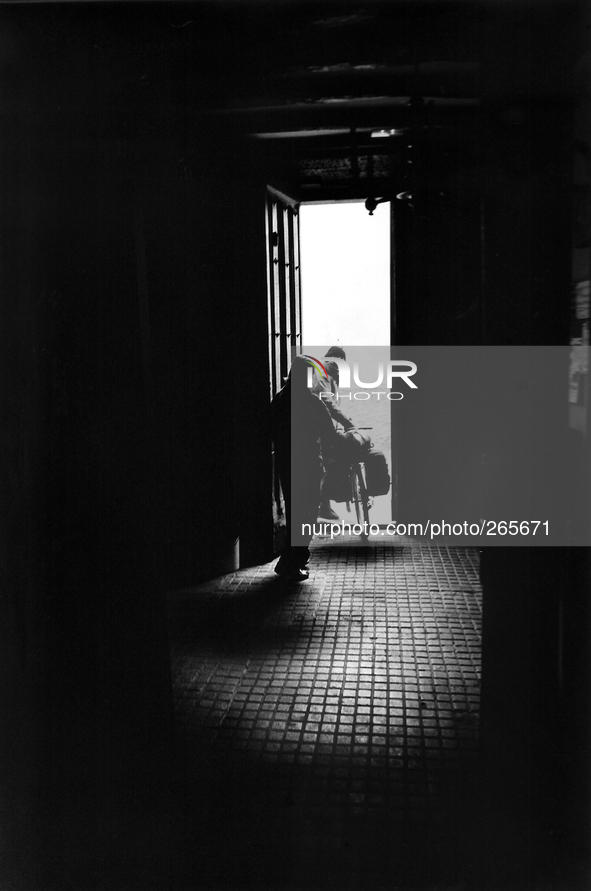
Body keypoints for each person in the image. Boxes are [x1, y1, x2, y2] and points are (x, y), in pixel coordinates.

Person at [271, 354, 340, 580]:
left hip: (286, 465)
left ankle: (289, 560)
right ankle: (294, 561)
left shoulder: (279, 399)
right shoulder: (312, 402)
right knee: (308, 515)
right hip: (310, 466)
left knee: (294, 513)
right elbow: (328, 433)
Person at [310, 346, 354, 521]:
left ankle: (324, 503)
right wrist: (348, 423)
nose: (338, 368)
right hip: (314, 428)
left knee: (328, 461)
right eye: (336, 363)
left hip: (323, 427)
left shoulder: (329, 376)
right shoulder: (319, 375)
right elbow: (328, 403)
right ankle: (322, 505)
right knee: (325, 463)